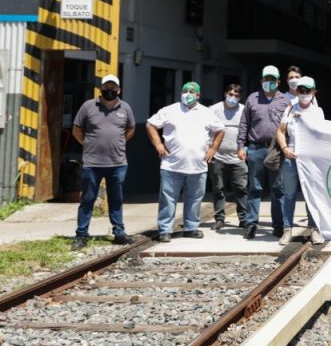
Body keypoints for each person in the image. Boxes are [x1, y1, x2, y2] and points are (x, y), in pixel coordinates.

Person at [146, 82, 224, 242]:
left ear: (198, 95)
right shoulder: (170, 110)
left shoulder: (206, 113)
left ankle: (191, 227)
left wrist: (213, 148)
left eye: (192, 91)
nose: (188, 94)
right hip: (171, 165)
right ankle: (165, 230)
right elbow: (150, 125)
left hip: (198, 166)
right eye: (185, 91)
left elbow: (220, 130)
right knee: (168, 199)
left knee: (195, 199)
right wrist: (158, 144)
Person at [70, 74, 136, 250]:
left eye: (113, 87)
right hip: (92, 163)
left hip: (118, 163)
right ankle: (81, 234)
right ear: (100, 89)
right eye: (106, 87)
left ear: (119, 90)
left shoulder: (126, 108)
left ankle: (119, 232)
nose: (110, 90)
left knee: (116, 198)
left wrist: (121, 142)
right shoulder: (88, 106)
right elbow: (76, 129)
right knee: (88, 198)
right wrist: (87, 143)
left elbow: (131, 129)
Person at [237, 65, 292, 240]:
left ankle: (278, 225)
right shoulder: (252, 99)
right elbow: (244, 123)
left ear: (278, 82)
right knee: (255, 187)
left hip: (276, 149)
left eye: (273, 79)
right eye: (266, 79)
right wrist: (240, 145)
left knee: (277, 188)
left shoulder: (285, 101)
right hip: (255, 148)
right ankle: (251, 224)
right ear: (261, 80)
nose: (269, 82)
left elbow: (291, 126)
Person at [277, 77, 325, 245]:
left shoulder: (318, 112)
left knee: (310, 194)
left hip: (310, 159)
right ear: (296, 92)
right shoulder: (289, 109)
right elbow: (280, 131)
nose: (304, 94)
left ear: (314, 92)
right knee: (289, 194)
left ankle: (314, 229)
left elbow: (321, 135)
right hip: (291, 156)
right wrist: (285, 149)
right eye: (301, 90)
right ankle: (287, 229)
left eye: (308, 91)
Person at [208, 83, 248, 232]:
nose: (233, 98)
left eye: (236, 96)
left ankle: (243, 219)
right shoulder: (214, 109)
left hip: (238, 157)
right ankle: (219, 219)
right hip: (217, 156)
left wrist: (244, 149)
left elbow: (248, 131)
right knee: (218, 188)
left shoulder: (244, 110)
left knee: (241, 188)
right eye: (230, 94)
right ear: (225, 93)